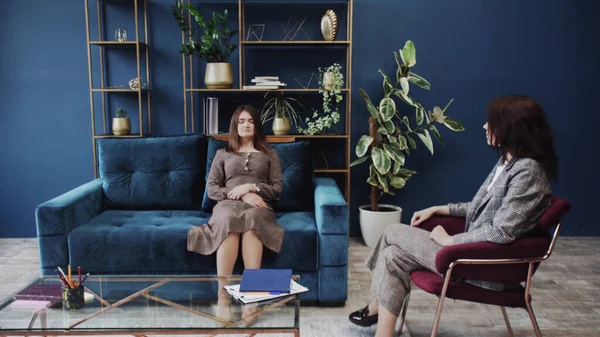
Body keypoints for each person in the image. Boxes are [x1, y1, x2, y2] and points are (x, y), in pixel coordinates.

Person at [348, 95, 559, 337]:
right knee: (392, 256)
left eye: (491, 122)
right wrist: (440, 209)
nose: (485, 126)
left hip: (483, 266)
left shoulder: (527, 171)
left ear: (512, 128)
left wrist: (448, 241)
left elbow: (502, 231)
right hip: (471, 254)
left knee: (391, 232)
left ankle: (375, 307)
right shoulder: (508, 162)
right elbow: (480, 208)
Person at [187, 104, 283, 324]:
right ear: (235, 126)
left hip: (259, 205)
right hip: (227, 205)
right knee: (230, 220)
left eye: (250, 121)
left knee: (252, 219)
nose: (246, 125)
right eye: (241, 121)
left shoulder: (270, 154)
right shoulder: (222, 154)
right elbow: (212, 189)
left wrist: (251, 188)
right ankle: (223, 296)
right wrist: (239, 195)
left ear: (256, 125)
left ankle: (251, 299)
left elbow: (277, 190)